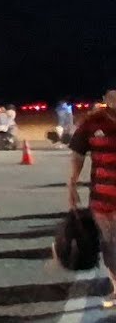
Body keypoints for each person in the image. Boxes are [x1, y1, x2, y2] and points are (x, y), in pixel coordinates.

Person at [68, 85, 116, 307]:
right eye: (112, 94)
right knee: (109, 244)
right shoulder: (91, 122)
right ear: (105, 97)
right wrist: (72, 185)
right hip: (102, 196)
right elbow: (78, 154)